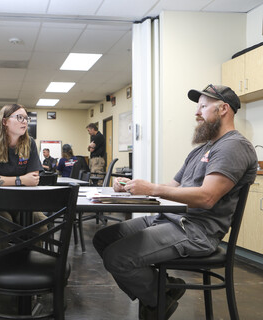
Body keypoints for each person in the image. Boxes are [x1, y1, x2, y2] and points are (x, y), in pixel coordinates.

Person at [92, 84, 258, 320]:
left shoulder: (233, 147)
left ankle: (158, 298)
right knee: (103, 238)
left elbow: (206, 198)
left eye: (203, 106)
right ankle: (164, 290)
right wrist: (132, 187)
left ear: (223, 109)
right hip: (171, 220)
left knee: (117, 257)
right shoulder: (202, 150)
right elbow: (172, 187)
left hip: (197, 231)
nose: (197, 112)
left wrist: (152, 189)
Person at [0, 104, 47, 245]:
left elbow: (33, 179)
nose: (24, 121)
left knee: (40, 223)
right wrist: (21, 180)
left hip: (23, 202)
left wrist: (10, 180)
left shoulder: (30, 143)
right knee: (2, 223)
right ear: (4, 122)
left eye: (26, 118)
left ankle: (32, 262)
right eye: (19, 117)